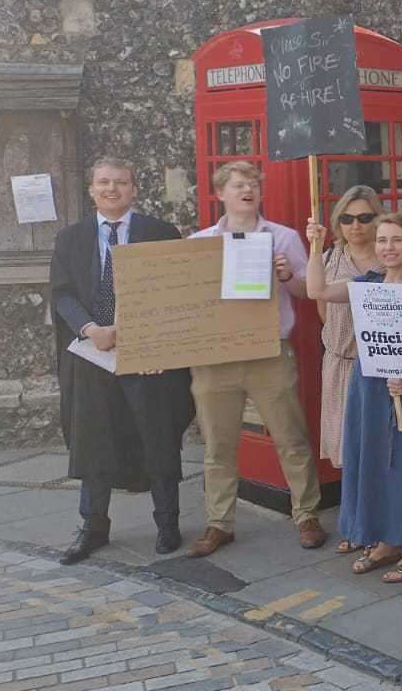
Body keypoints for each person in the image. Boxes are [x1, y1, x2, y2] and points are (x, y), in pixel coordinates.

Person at [49, 157, 195, 562]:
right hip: (92, 352)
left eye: (121, 182)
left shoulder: (161, 232)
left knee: (158, 438)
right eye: (104, 182)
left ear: (134, 189)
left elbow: (178, 291)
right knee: (91, 440)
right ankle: (93, 526)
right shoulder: (70, 238)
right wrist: (91, 329)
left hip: (148, 355)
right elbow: (61, 293)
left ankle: (168, 524)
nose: (112, 189)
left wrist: (158, 344)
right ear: (91, 189)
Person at [186, 161, 326, 556]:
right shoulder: (200, 243)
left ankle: (306, 514)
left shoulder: (282, 238)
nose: (247, 190)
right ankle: (219, 523)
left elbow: (307, 291)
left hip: (269, 351)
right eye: (237, 185)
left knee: (290, 437)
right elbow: (190, 302)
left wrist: (286, 277)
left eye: (252, 185)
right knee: (217, 444)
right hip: (217, 356)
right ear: (220, 194)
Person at [306, 209, 402, 583]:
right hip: (368, 384)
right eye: (382, 240)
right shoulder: (368, 282)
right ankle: (384, 540)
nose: (388, 247)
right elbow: (317, 291)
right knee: (374, 460)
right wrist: (316, 245)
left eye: (397, 239)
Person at [317, 185, 383, 556]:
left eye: (364, 217)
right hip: (340, 365)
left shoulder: (388, 256)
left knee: (375, 450)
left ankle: (375, 524)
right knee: (348, 451)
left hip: (377, 367)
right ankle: (354, 523)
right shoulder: (329, 258)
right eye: (347, 218)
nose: (355, 225)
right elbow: (323, 311)